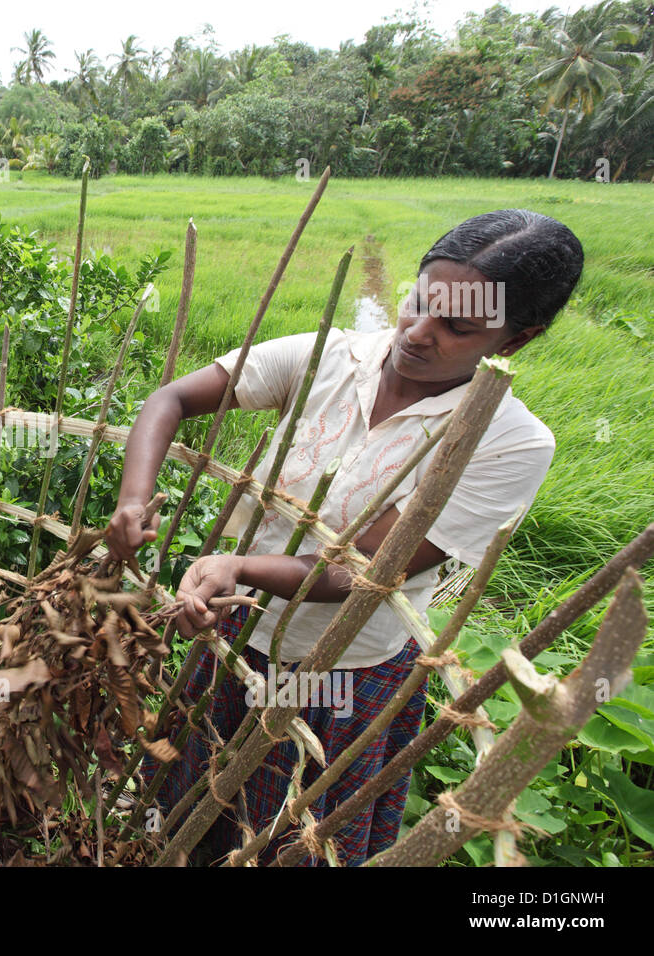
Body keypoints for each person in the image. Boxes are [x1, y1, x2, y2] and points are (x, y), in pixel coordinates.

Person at [105, 209, 584, 865]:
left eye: (456, 327)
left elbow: (368, 570)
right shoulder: (329, 357)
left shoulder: (508, 441)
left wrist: (237, 565)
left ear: (515, 341)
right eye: (419, 302)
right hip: (233, 636)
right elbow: (170, 401)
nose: (417, 333)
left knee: (284, 836)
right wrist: (134, 502)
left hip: (335, 673)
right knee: (193, 796)